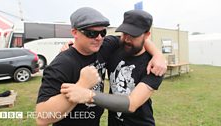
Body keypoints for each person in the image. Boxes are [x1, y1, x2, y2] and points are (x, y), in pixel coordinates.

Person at [36, 7, 166, 126]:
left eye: (103, 32)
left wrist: (158, 55)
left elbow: (132, 103)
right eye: (91, 33)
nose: (98, 38)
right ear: (75, 33)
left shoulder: (106, 48)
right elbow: (41, 117)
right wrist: (82, 84)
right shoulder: (63, 63)